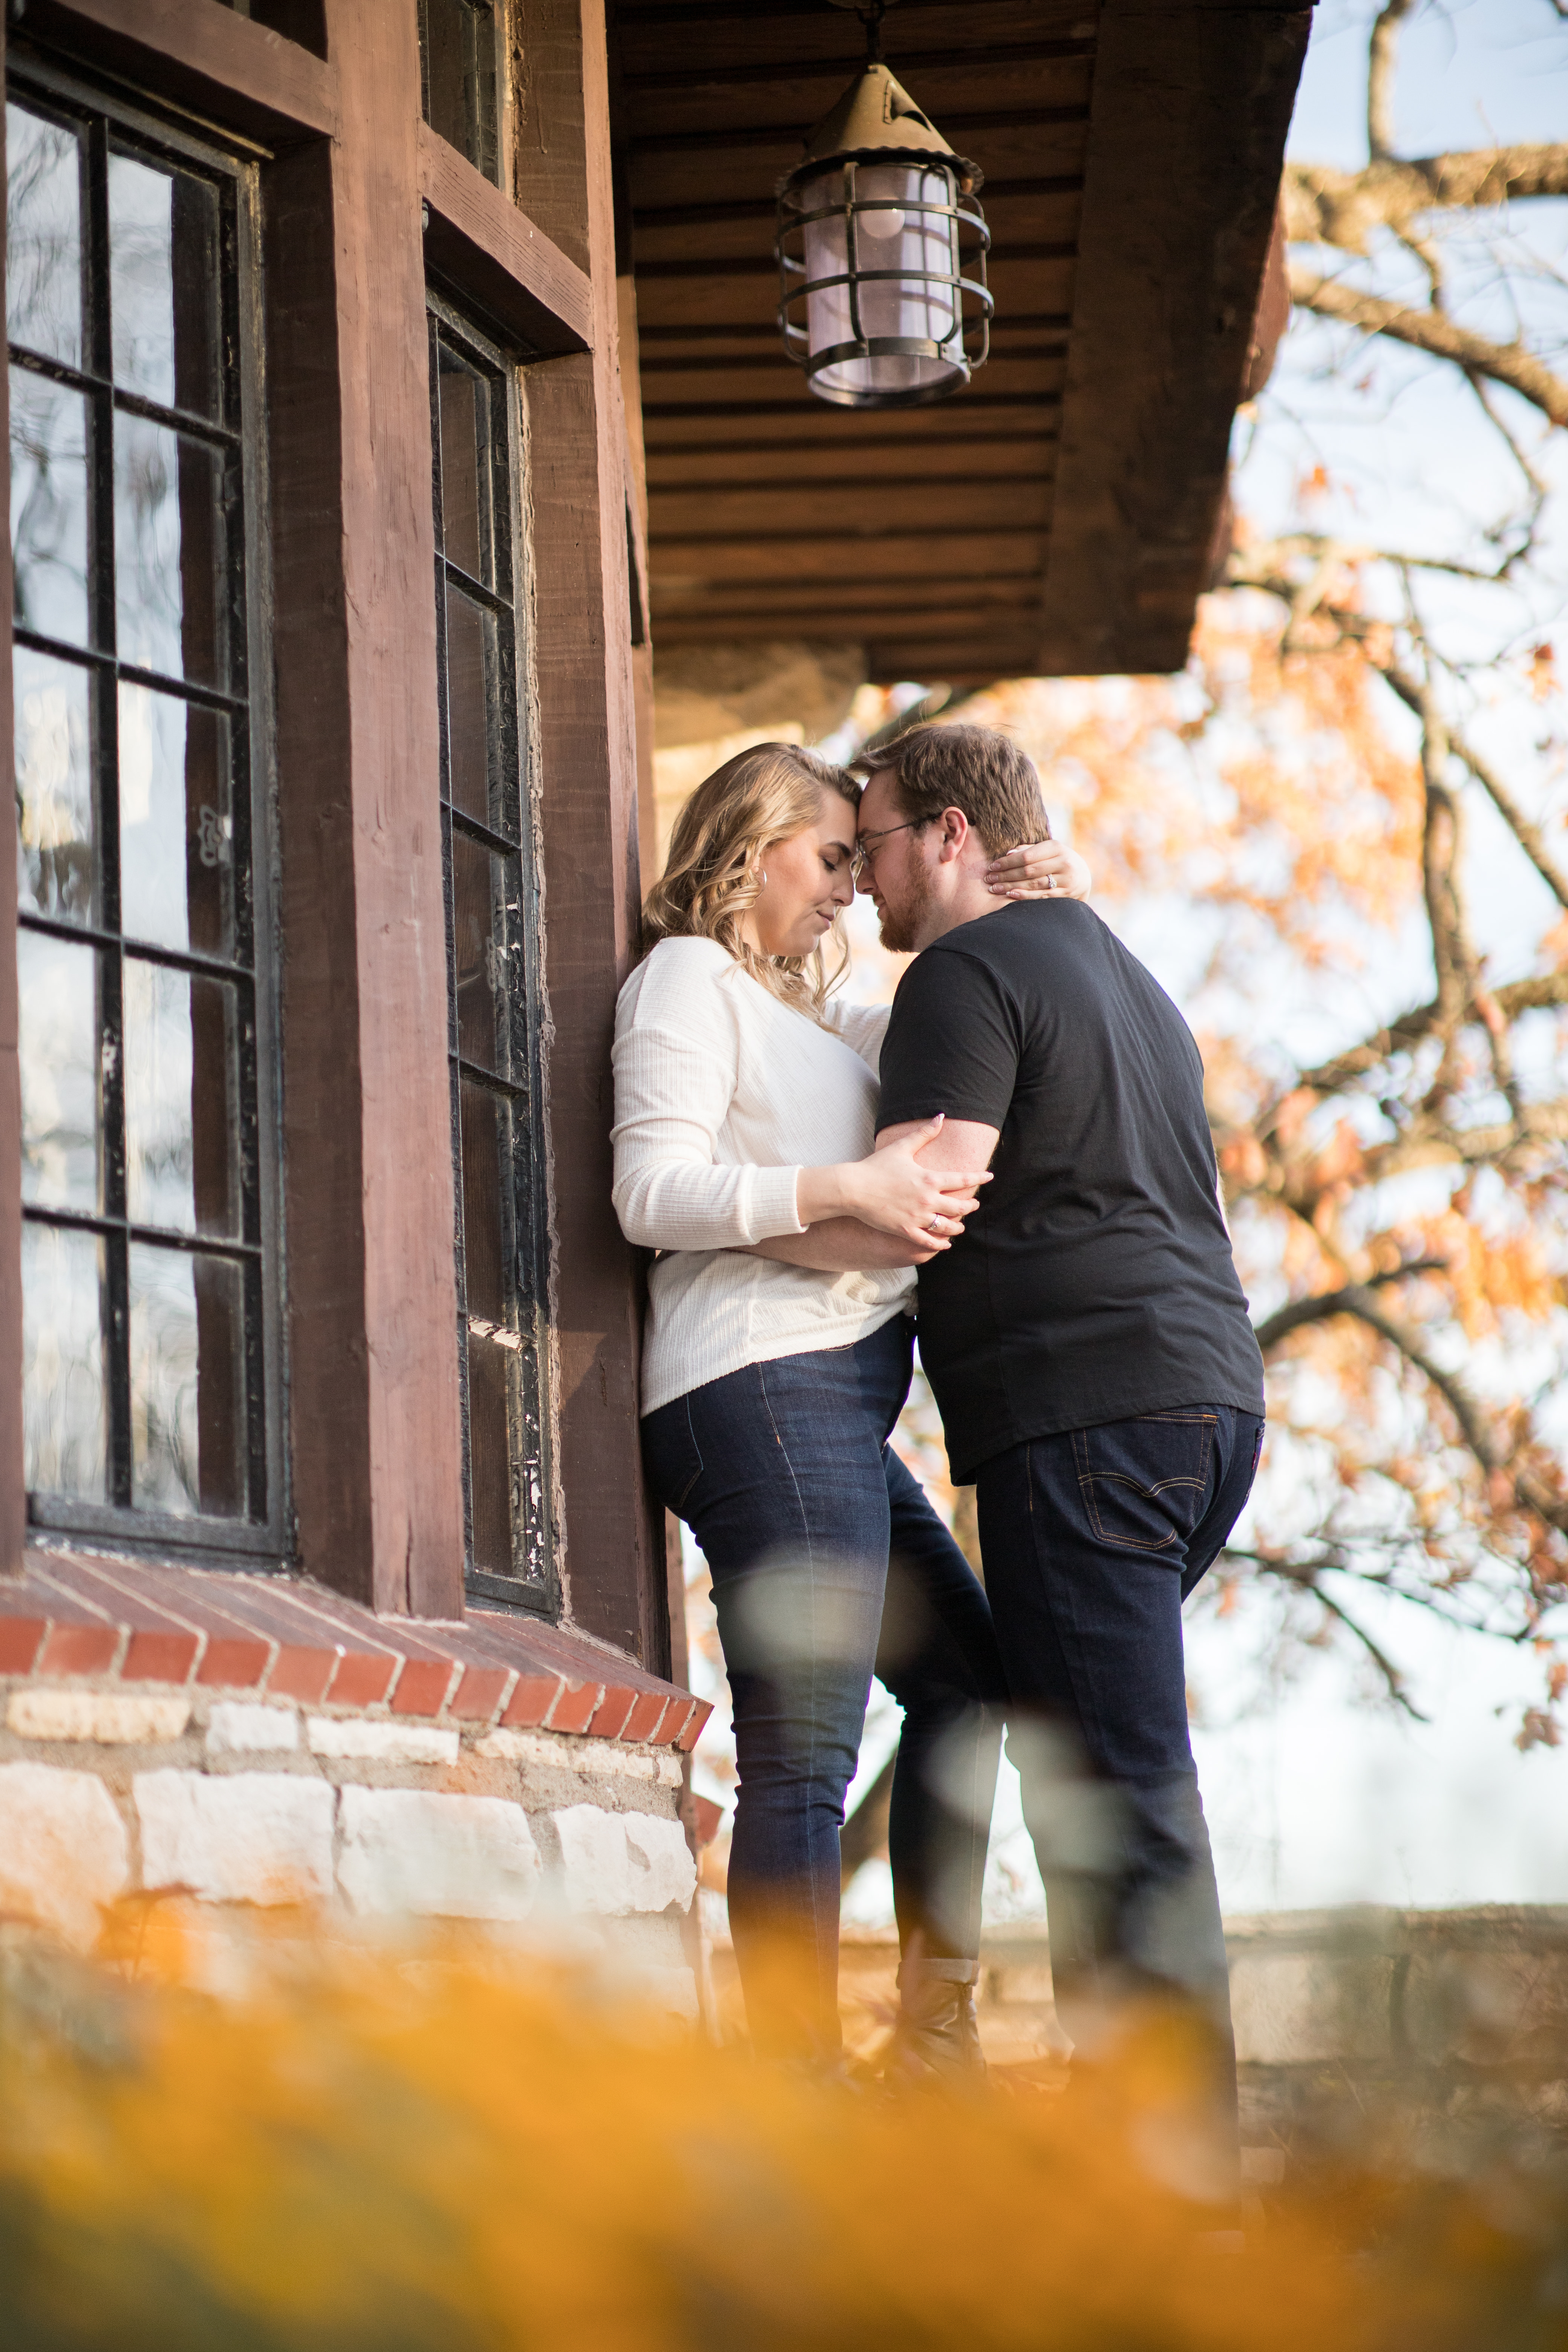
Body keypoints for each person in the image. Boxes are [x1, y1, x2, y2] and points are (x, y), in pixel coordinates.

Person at [610, 740, 1090, 2073]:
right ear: (749, 843)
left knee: (969, 1684)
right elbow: (650, 1195)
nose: (843, 889)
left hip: (826, 1411)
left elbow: (976, 1015)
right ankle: (795, 2101)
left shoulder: (821, 1016)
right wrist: (837, 1194)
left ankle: (933, 2040)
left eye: (857, 859)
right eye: (828, 856)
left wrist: (1054, 906)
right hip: (756, 1391)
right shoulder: (686, 980)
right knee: (805, 1757)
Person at [852, 723, 1266, 2136]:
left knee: (1114, 1781)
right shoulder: (1130, 978)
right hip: (1208, 1407)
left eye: (876, 844)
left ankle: (1164, 2160)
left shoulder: (960, 971)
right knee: (1100, 1754)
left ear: (954, 835)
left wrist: (735, 1213)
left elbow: (933, 1186)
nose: (862, 881)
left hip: (1086, 1413)